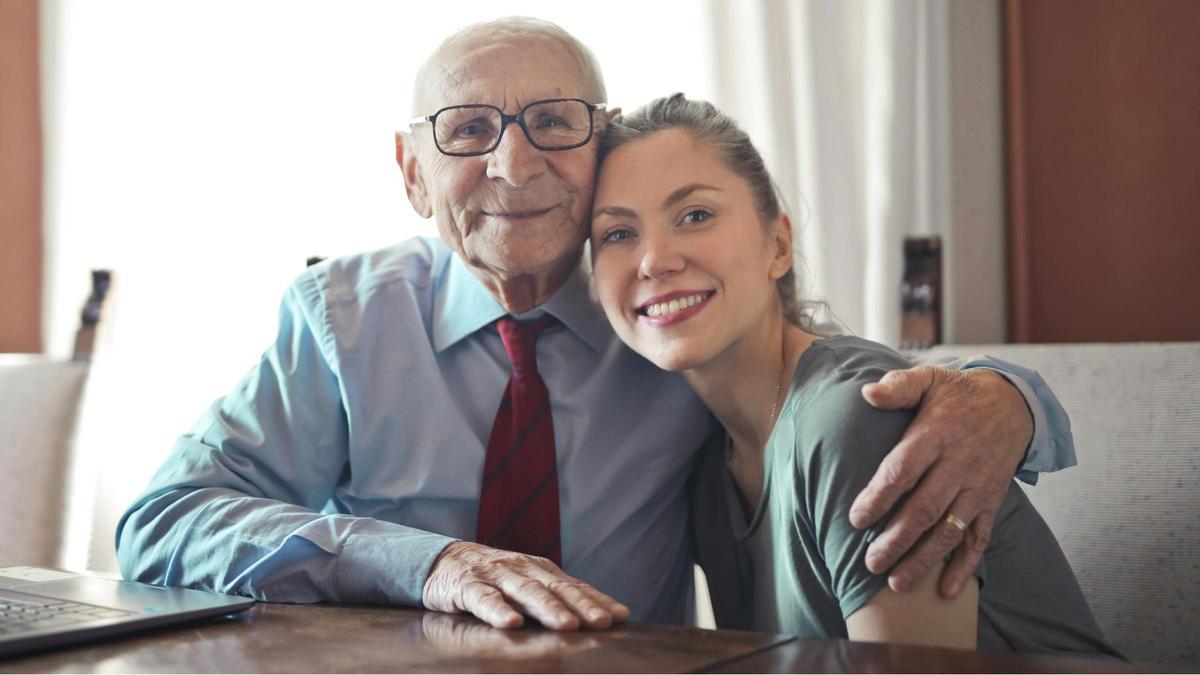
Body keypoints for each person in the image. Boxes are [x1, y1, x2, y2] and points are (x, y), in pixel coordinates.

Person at [116, 17, 1076, 632]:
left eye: (553, 121)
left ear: (597, 149)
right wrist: (428, 563)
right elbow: (160, 521)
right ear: (413, 174)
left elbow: (831, 386)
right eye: (465, 130)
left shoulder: (664, 320)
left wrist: (1010, 398)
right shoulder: (341, 323)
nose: (513, 161)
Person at [588, 93, 1121, 656]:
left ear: (778, 244)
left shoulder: (857, 418)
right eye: (618, 234)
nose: (653, 260)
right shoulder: (706, 464)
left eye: (695, 215)